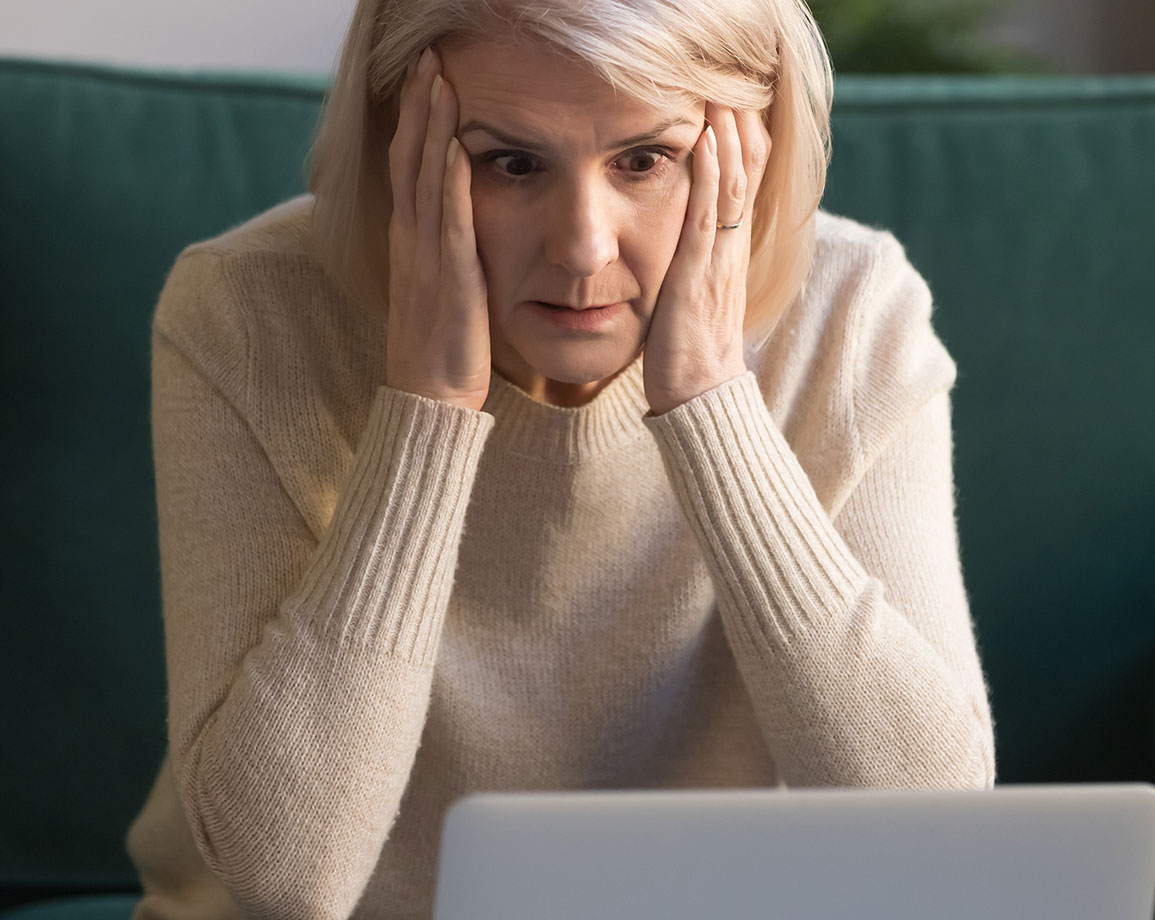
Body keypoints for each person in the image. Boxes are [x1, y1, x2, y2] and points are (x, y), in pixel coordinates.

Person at [123, 0, 997, 916]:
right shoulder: (246, 314)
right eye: (511, 162)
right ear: (398, 145)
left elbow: (929, 832)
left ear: (756, 142)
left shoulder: (851, 312)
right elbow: (285, 878)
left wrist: (710, 397)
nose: (583, 247)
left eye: (647, 159)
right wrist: (426, 407)